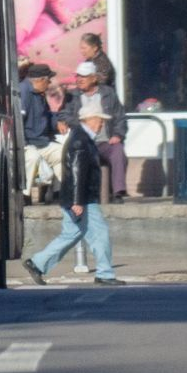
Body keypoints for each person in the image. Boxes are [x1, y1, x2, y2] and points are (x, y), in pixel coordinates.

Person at [22, 111, 121, 286]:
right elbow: (77, 172)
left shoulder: (81, 138)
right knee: (100, 234)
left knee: (70, 235)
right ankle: (105, 273)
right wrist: (78, 201)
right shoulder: (80, 140)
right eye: (99, 121)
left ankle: (37, 264)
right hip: (83, 199)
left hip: (76, 197)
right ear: (88, 120)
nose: (101, 125)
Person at [67, 60, 130, 201]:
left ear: (94, 78)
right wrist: (82, 125)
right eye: (78, 76)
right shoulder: (73, 96)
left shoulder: (108, 94)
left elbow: (120, 117)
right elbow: (65, 115)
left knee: (118, 150)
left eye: (83, 76)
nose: (79, 80)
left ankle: (118, 192)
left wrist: (118, 134)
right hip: (84, 142)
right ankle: (81, 195)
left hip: (104, 141)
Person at [18, 63, 63, 198]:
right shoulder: (23, 92)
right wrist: (23, 143)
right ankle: (24, 196)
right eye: (48, 80)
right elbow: (18, 121)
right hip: (25, 142)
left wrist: (57, 123)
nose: (49, 83)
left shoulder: (39, 94)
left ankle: (58, 192)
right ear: (40, 80)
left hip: (41, 141)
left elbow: (46, 116)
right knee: (32, 157)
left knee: (63, 152)